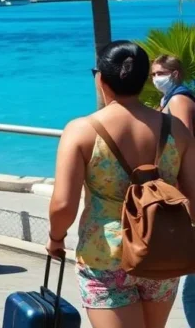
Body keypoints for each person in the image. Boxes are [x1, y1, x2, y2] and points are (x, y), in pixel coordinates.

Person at [46, 42, 195, 328]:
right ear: (143, 80)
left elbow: (64, 204)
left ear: (101, 79)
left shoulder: (81, 130)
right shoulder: (175, 129)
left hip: (106, 255)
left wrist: (56, 238)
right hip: (161, 250)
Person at [151, 55, 195, 328]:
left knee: (191, 294)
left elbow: (184, 144)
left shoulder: (179, 100)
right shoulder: (172, 99)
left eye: (160, 73)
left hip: (187, 196)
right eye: (153, 73)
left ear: (175, 74)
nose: (156, 78)